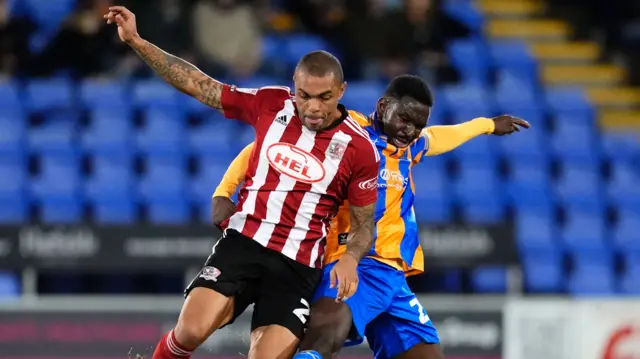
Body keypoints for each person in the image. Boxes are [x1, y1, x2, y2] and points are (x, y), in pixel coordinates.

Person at [103, 6, 381, 359]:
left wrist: (351, 260)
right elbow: (200, 85)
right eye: (304, 95)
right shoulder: (271, 103)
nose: (312, 107)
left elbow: (363, 225)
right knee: (189, 331)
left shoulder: (359, 149)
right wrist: (137, 42)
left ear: (341, 91)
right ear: (294, 87)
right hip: (245, 242)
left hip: (297, 266)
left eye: (324, 97)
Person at [212, 75, 530, 359]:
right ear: (383, 105)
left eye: (417, 125)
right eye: (404, 119)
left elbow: (443, 136)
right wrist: (224, 192)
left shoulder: (410, 147)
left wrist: (488, 125)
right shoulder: (346, 130)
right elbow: (265, 146)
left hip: (394, 276)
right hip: (354, 261)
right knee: (324, 338)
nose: (410, 130)